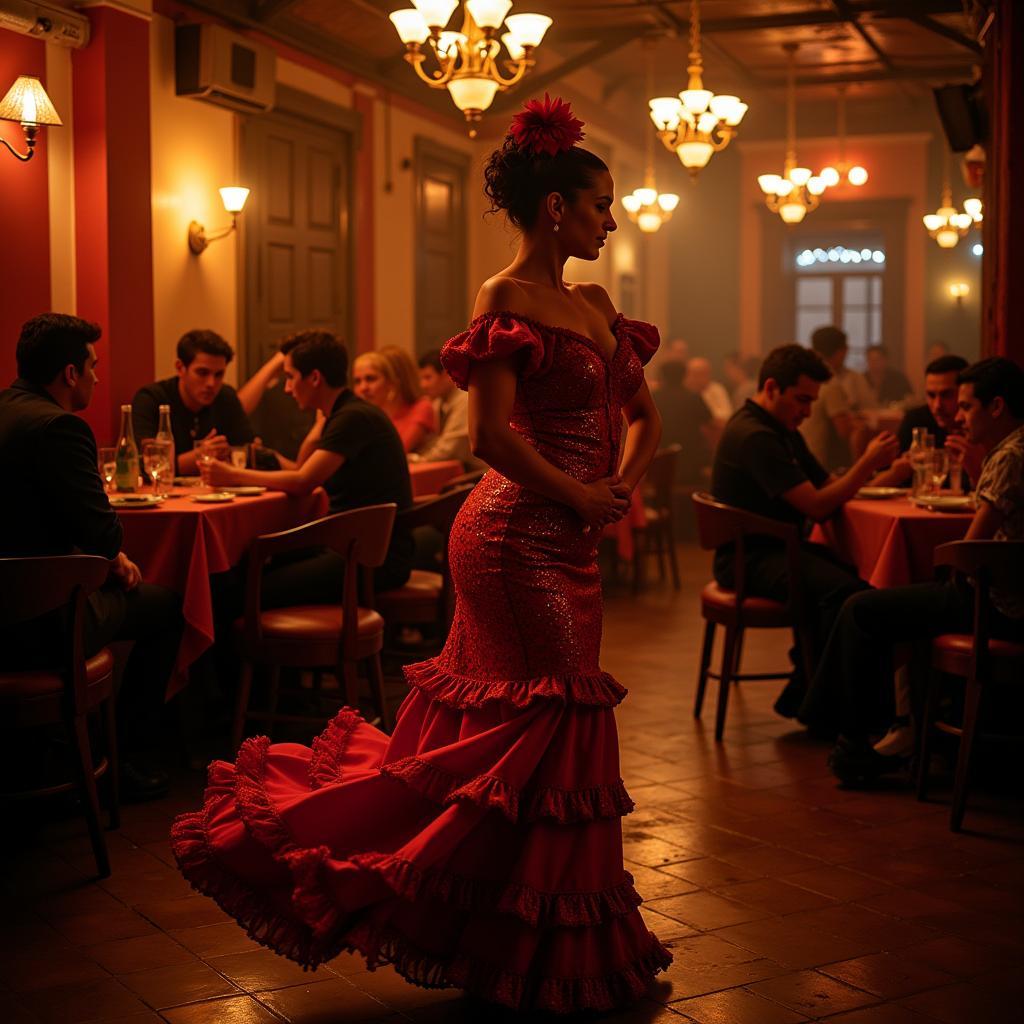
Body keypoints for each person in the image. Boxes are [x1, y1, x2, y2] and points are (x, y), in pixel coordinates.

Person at [172, 96, 672, 1014]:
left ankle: (533, 931)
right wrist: (578, 495)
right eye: (601, 202)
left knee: (541, 730)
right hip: (512, 537)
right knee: (548, 720)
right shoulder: (505, 299)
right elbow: (488, 437)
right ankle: (512, 931)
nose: (611, 218)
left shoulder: (599, 307)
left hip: (570, 536)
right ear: (554, 207)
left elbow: (644, 419)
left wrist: (618, 491)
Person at [809, 358, 1024, 784]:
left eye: (965, 407)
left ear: (996, 406)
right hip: (1006, 597)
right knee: (884, 602)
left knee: (860, 608)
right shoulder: (1013, 449)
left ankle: (855, 743)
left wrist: (934, 568)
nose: (958, 416)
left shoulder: (1010, 456)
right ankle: (902, 727)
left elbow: (971, 552)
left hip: (998, 606)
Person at [0, 314, 183, 800]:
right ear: (70, 373)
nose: (99, 378)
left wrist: (106, 554)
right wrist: (114, 557)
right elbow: (103, 532)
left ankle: (51, 746)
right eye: (93, 367)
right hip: (41, 623)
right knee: (168, 607)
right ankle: (123, 758)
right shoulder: (61, 428)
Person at [712, 344, 899, 717]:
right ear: (771, 387)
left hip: (779, 548)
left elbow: (828, 485)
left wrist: (890, 474)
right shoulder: (756, 436)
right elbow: (817, 506)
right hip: (748, 558)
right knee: (846, 592)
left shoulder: (780, 429)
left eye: (812, 402)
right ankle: (827, 707)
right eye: (801, 400)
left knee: (858, 578)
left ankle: (808, 690)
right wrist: (866, 464)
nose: (808, 411)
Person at [198, 330, 414, 596]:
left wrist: (232, 475)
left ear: (314, 378)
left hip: (372, 558)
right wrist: (322, 416)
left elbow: (302, 482)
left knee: (247, 587)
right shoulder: (342, 412)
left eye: (290, 377)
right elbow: (303, 466)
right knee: (244, 568)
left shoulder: (354, 417)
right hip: (351, 545)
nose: (287, 388)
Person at [132, 330, 256, 475]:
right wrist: (200, 455)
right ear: (180, 368)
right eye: (202, 373)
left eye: (219, 374)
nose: (211, 383)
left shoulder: (226, 396)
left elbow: (249, 454)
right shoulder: (151, 399)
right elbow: (146, 468)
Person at [352, 348, 438, 453]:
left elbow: (392, 453)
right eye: (357, 381)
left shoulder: (422, 407)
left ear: (392, 381)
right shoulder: (371, 413)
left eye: (371, 378)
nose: (363, 388)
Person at [800, 325, 860, 470]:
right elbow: (843, 430)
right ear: (841, 352)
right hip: (817, 465)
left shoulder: (803, 377)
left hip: (798, 459)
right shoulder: (829, 382)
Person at [412, 348, 482, 469]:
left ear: (447, 375)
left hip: (477, 472)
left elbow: (450, 448)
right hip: (458, 468)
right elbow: (435, 442)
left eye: (428, 377)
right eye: (420, 379)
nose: (423, 385)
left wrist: (420, 460)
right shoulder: (438, 402)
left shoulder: (465, 399)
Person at [654, 358, 713, 483]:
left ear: (662, 377)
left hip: (660, 459)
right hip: (691, 459)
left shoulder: (654, 397)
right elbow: (709, 420)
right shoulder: (693, 397)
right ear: (684, 376)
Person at [685, 355, 732, 424]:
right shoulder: (684, 392)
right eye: (695, 374)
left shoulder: (717, 389)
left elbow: (727, 414)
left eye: (702, 374)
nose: (698, 378)